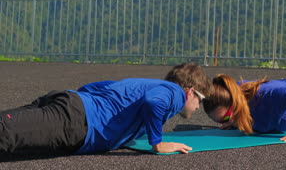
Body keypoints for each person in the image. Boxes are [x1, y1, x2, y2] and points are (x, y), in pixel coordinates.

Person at [0, 62, 211, 155]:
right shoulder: (175, 92)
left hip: (69, 103)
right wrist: (158, 144)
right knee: (5, 133)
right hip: (77, 119)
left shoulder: (148, 85)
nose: (198, 107)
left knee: (6, 125)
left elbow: (102, 86)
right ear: (190, 91)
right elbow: (153, 104)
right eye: (200, 100)